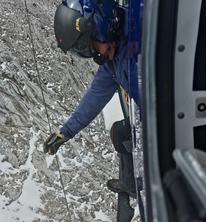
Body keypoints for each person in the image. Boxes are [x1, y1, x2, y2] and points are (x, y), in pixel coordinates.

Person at [44, 0, 137, 219]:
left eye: (88, 45)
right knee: (121, 133)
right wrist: (65, 132)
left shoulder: (135, 51)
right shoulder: (114, 56)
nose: (93, 54)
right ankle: (130, 184)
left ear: (101, 26)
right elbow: (94, 97)